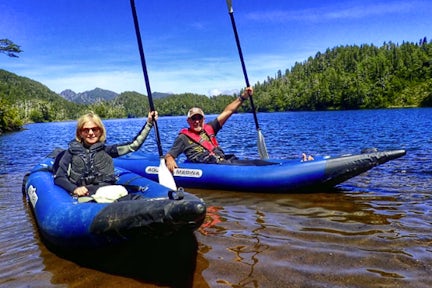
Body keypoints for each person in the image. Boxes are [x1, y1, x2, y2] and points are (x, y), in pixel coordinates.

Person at [165, 87, 277, 172]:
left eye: (199, 118)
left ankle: (273, 167)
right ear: (188, 121)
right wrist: (169, 159)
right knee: (246, 167)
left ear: (203, 119)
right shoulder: (183, 138)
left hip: (222, 161)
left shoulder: (210, 128)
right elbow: (170, 155)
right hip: (209, 166)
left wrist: (243, 97)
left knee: (255, 162)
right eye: (193, 118)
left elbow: (228, 112)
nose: (197, 121)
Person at [54, 111, 158, 197]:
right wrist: (75, 189)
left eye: (94, 129)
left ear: (100, 131)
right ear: (80, 133)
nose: (91, 133)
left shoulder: (107, 150)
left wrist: (149, 123)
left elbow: (134, 145)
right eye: (86, 130)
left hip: (107, 192)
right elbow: (59, 177)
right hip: (84, 196)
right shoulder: (71, 152)